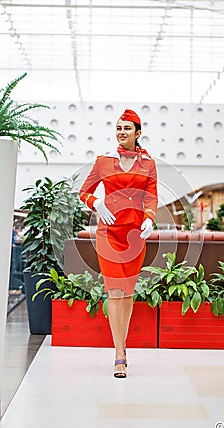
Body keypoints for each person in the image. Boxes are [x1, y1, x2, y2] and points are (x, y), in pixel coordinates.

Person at [79, 109, 158, 378]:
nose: (121, 132)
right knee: (114, 292)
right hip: (109, 235)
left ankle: (122, 346)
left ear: (138, 133)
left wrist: (149, 218)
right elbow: (84, 191)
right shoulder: (103, 161)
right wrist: (96, 203)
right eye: (118, 128)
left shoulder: (148, 164)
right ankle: (119, 354)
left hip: (135, 237)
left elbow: (151, 196)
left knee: (127, 294)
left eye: (127, 128)